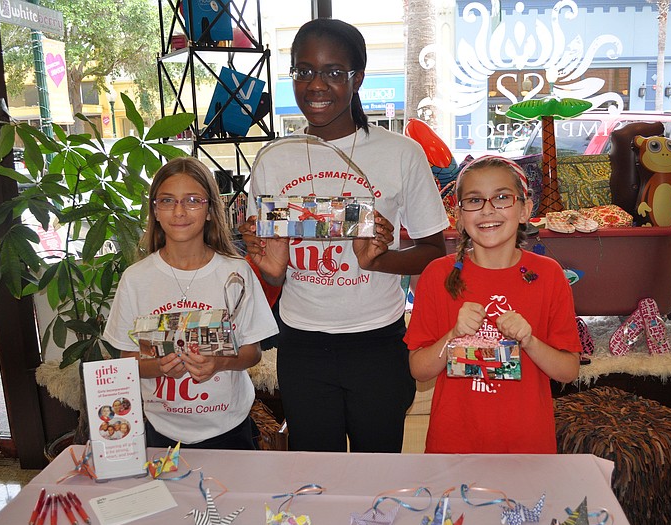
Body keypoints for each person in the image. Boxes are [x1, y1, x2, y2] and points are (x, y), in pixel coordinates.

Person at [240, 18, 449, 453]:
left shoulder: (401, 154)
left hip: (378, 343)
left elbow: (435, 251)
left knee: (379, 473)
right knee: (316, 477)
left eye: (334, 72)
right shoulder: (273, 160)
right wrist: (271, 269)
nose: (316, 85)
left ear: (358, 78)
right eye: (304, 71)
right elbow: (275, 275)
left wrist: (379, 260)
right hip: (302, 345)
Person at [404, 155, 581, 454]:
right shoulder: (437, 275)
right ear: (458, 215)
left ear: (524, 209)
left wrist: (529, 341)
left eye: (501, 197)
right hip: (453, 447)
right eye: (474, 200)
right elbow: (418, 370)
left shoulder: (549, 275)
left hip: (527, 448)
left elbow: (568, 371)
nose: (487, 210)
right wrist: (452, 336)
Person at [103, 157, 278, 450]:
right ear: (155, 210)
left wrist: (219, 362)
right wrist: (158, 366)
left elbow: (252, 352)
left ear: (210, 210)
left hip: (230, 428)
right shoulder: (135, 279)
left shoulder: (236, 272)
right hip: (161, 431)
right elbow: (126, 360)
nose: (180, 211)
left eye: (193, 200)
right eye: (167, 201)